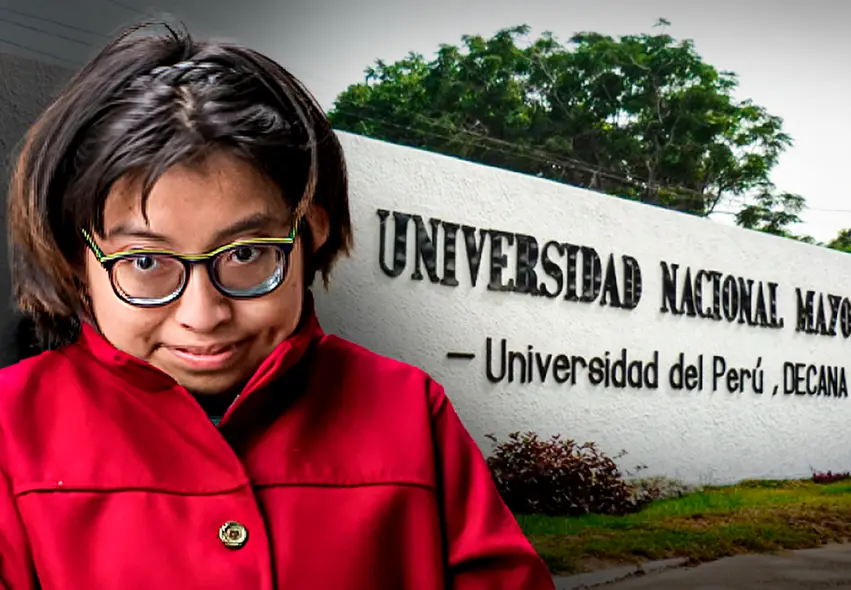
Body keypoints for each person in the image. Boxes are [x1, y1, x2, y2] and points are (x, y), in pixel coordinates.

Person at [0, 21, 555, 590]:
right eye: (146, 263)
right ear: (76, 258)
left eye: (245, 254)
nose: (203, 313)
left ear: (309, 233)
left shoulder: (410, 410)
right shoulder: (10, 429)